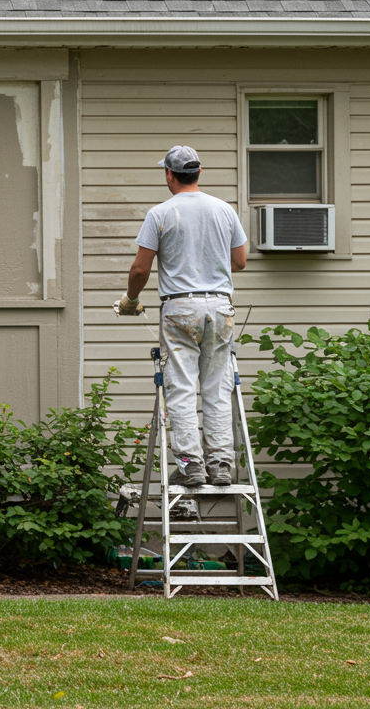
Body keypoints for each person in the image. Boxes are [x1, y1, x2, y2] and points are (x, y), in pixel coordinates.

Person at [116, 146, 247, 487]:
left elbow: (140, 268)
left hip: (180, 307)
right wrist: (207, 260)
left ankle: (192, 465)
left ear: (169, 175)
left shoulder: (161, 214)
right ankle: (220, 465)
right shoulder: (224, 210)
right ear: (199, 173)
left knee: (182, 388)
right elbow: (239, 261)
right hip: (220, 306)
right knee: (218, 387)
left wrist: (130, 300)